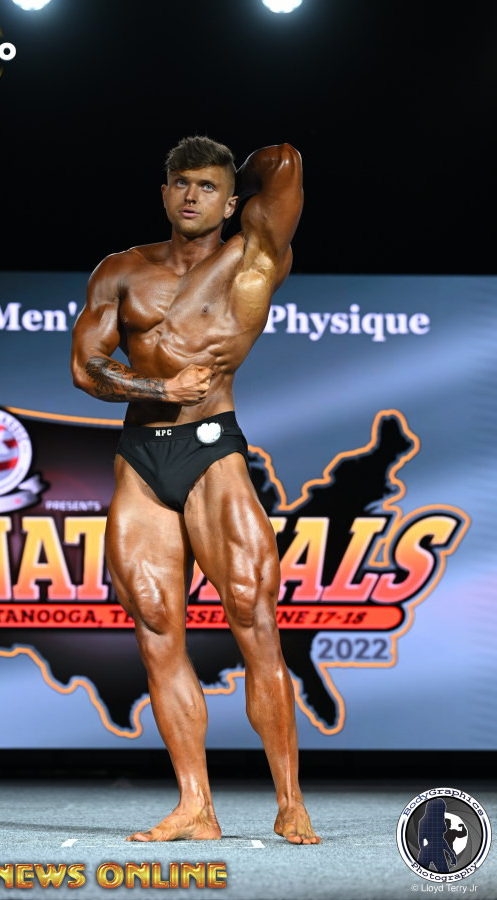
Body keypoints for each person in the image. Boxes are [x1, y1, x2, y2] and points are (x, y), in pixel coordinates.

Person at [71, 136, 320, 845]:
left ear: (232, 200)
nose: (191, 196)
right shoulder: (121, 270)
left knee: (254, 619)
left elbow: (285, 162)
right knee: (156, 628)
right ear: (163, 193)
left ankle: (289, 801)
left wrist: (239, 176)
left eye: (207, 186)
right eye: (181, 183)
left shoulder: (253, 256)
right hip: (141, 456)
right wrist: (160, 388)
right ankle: (195, 807)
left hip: (212, 451)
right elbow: (86, 368)